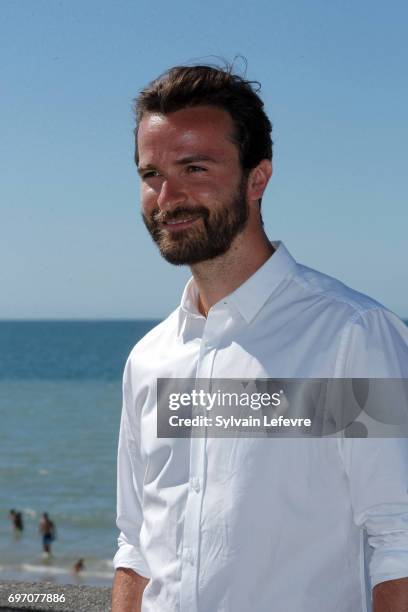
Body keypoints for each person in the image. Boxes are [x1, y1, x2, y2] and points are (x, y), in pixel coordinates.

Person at [111, 64, 408, 611]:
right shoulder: (150, 360)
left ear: (257, 178)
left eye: (194, 167)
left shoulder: (349, 336)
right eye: (151, 173)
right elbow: (136, 546)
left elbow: (400, 545)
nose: (167, 195)